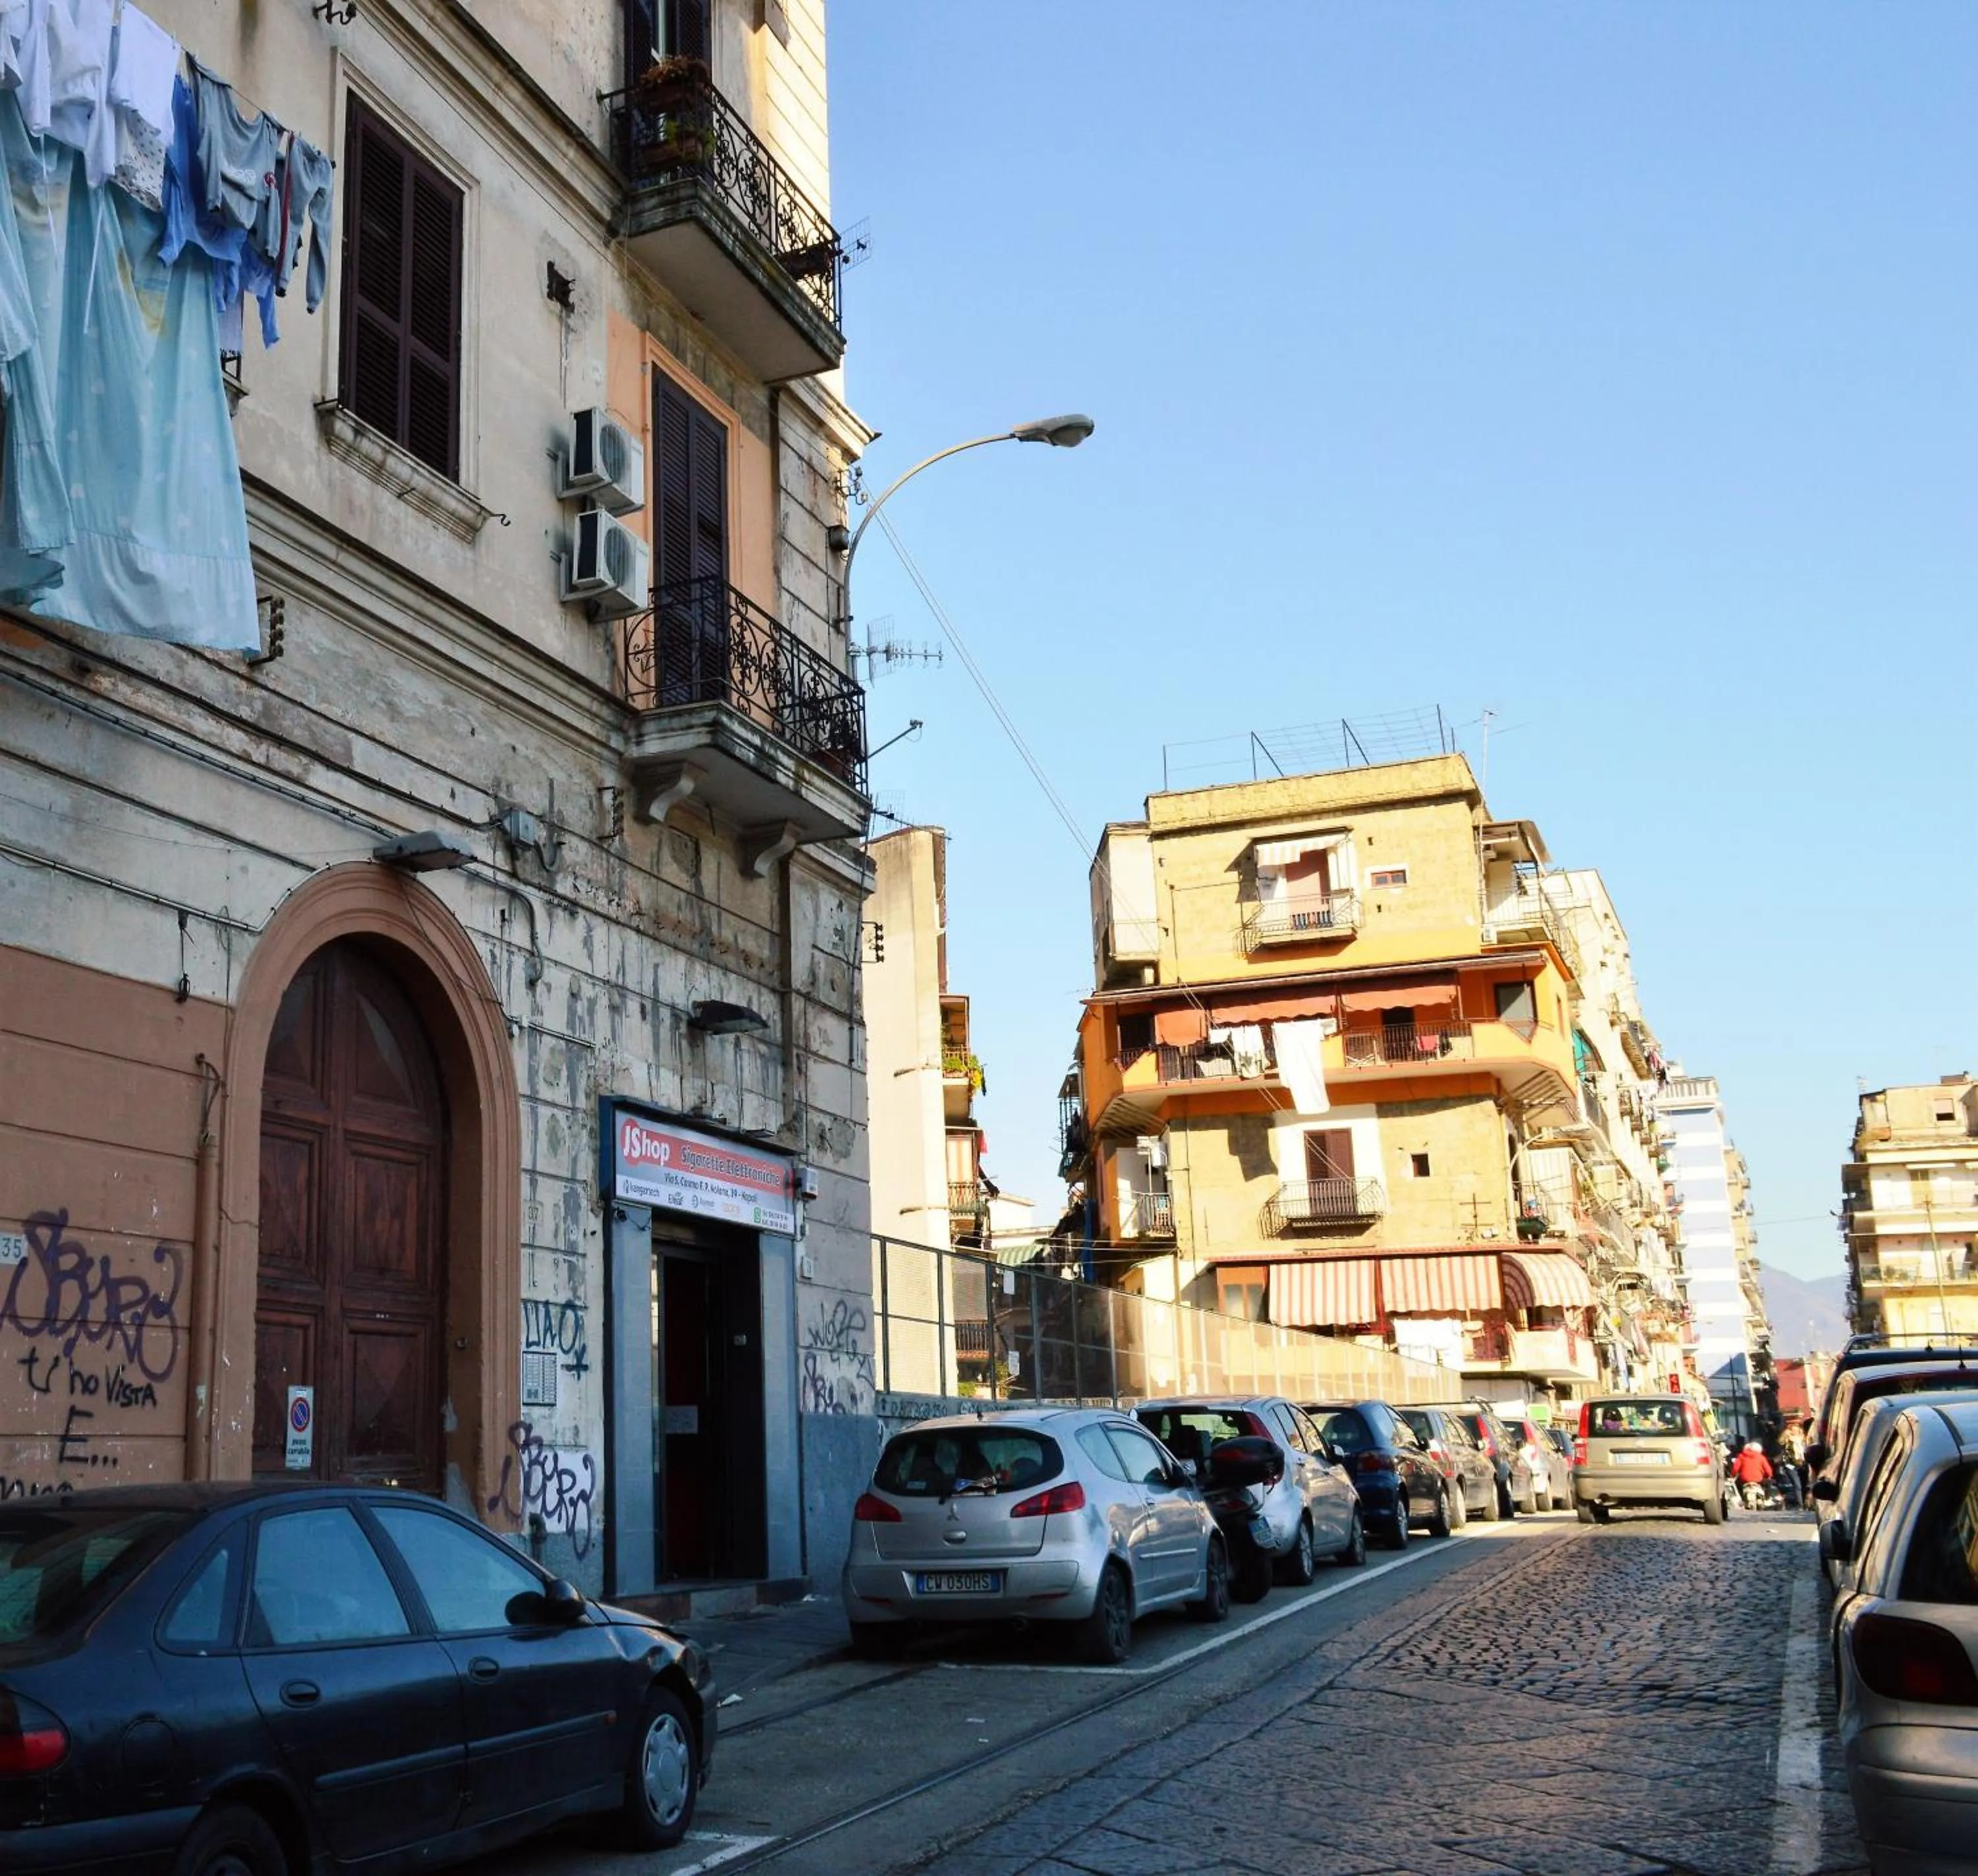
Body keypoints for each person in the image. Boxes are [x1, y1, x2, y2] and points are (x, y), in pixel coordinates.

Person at [1731, 1440, 1773, 1510]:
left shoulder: (1741, 1456)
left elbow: (1735, 1469)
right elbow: (1768, 1470)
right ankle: (1767, 1499)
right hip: (1759, 1480)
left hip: (1744, 1480)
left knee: (1737, 1484)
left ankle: (1743, 1499)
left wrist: (1733, 1475)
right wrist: (1769, 1475)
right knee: (1769, 1482)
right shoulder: (1761, 1457)